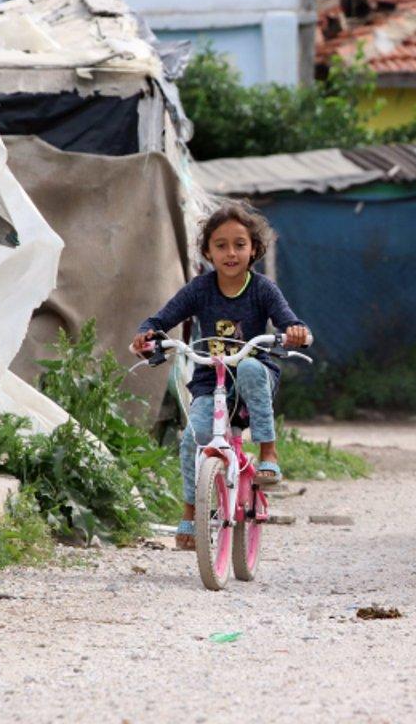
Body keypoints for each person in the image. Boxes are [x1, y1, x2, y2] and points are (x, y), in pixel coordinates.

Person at [131, 202, 310, 550]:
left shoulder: (263, 289)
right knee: (192, 439)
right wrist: (146, 334)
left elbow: (288, 320)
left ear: (254, 249)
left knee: (249, 367)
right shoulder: (199, 289)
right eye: (221, 245)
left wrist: (295, 331)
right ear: (207, 252)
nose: (231, 253)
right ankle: (191, 513)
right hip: (210, 383)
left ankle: (269, 453)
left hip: (252, 381)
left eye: (240, 244)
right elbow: (160, 320)